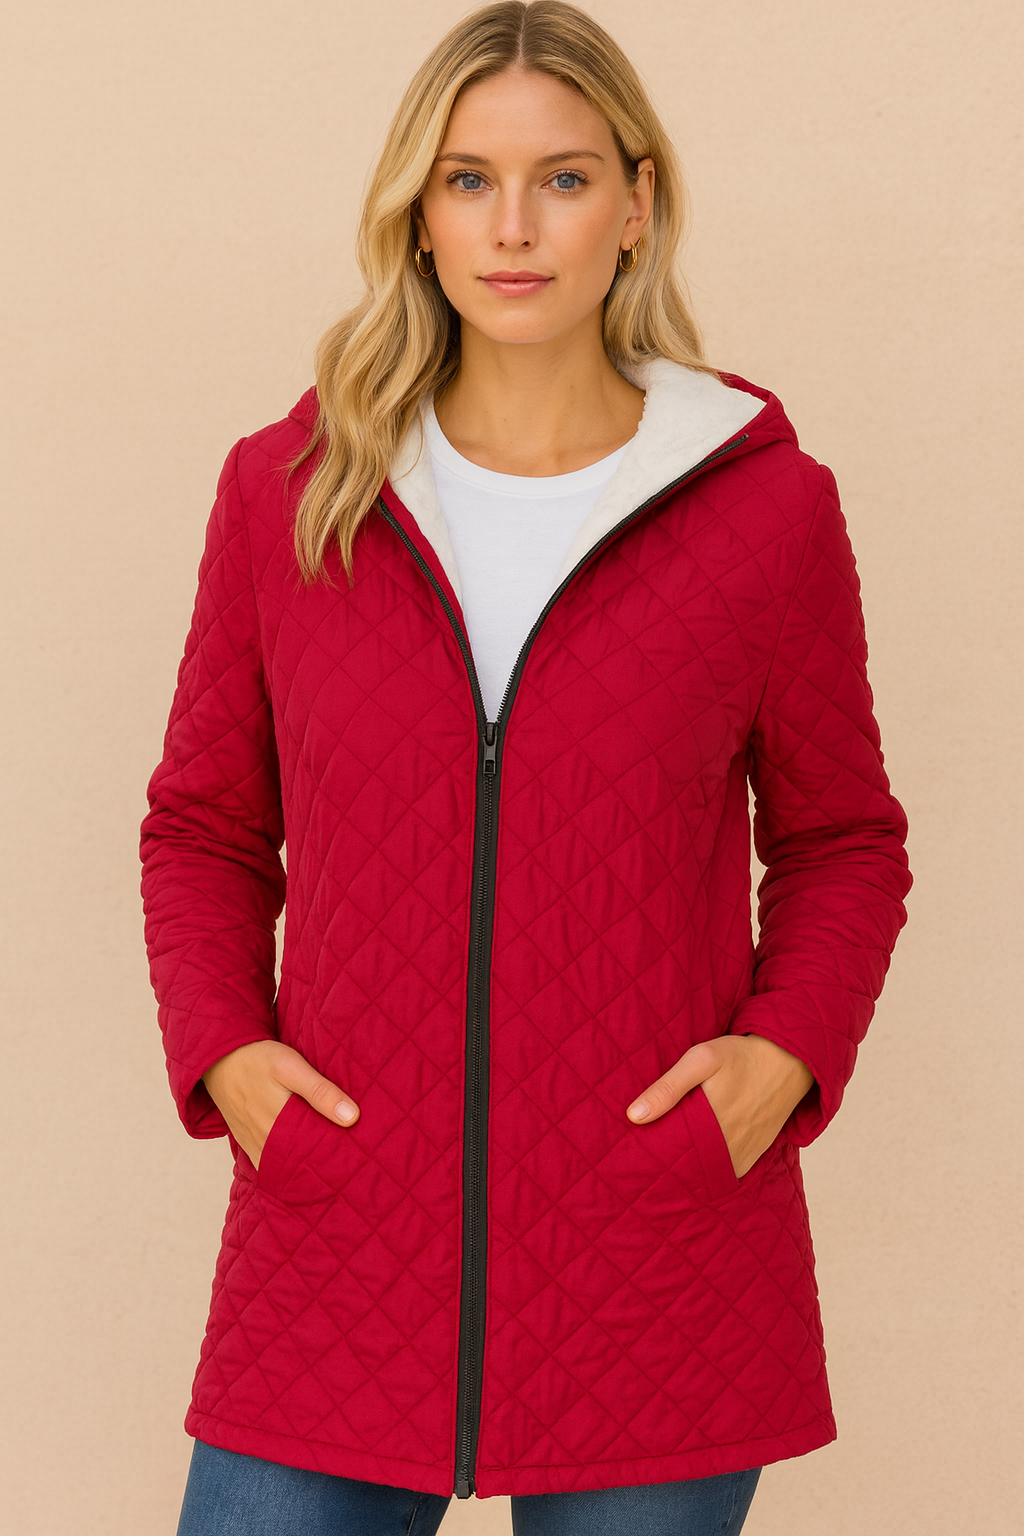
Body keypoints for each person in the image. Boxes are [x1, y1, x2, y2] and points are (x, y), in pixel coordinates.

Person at [140, 4, 912, 1532]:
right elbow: (206, 825)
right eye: (467, 180)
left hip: (656, 1250)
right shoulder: (290, 495)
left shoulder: (765, 511)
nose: (513, 227)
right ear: (416, 215)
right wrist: (227, 1052)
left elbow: (843, 840)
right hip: (342, 1239)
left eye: (562, 179)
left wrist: (782, 1060)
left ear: (635, 203)